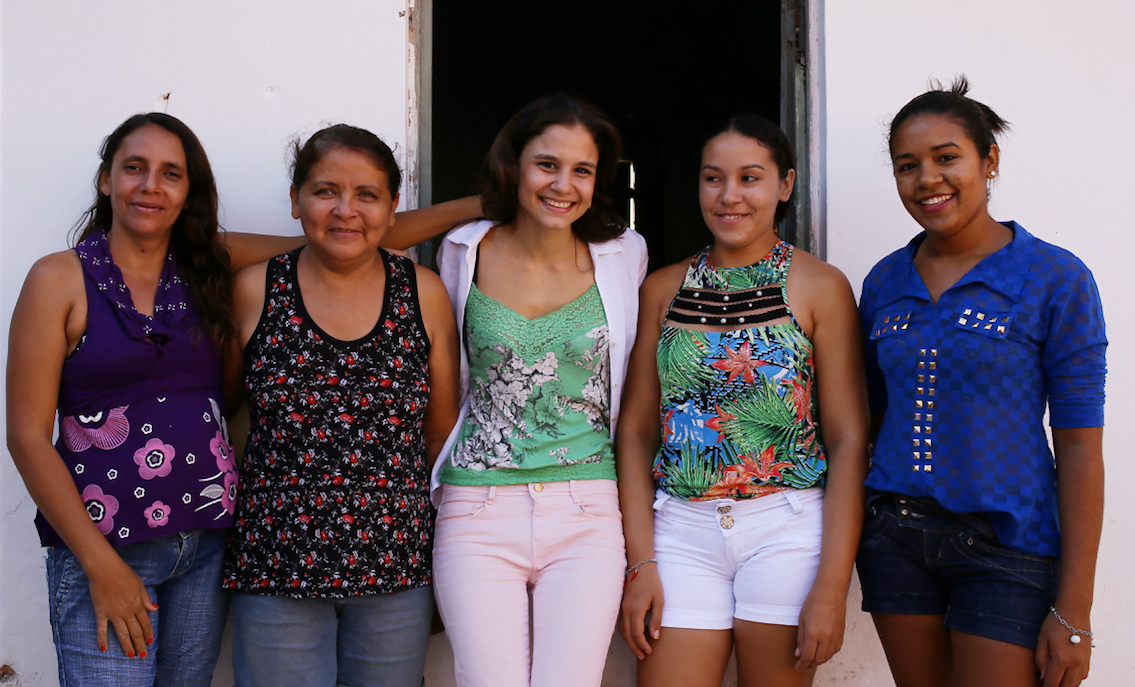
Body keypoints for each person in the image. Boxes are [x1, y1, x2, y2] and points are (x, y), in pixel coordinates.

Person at [5, 111, 474, 687]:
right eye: (134, 168)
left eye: (170, 174)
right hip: (112, 543)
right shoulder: (60, 277)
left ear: (189, 191)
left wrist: (479, 204)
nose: (151, 186)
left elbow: (344, 235)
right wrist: (99, 563)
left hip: (203, 542)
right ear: (106, 180)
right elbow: (27, 434)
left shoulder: (203, 263)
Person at [387, 94, 646, 687]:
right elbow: (381, 233)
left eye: (582, 171)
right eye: (546, 165)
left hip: (587, 508)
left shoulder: (622, 253)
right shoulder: (464, 247)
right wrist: (497, 199)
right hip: (476, 508)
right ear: (514, 163)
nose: (564, 185)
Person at [856, 77, 1106, 687]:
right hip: (894, 543)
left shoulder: (1055, 277)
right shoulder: (885, 281)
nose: (927, 180)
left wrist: (1074, 611)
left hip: (1009, 548)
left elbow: (1078, 447)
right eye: (907, 166)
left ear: (988, 160)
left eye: (947, 158)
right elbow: (871, 417)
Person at [616, 113, 868, 687]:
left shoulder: (819, 286)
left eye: (750, 178)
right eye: (713, 178)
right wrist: (640, 562)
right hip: (678, 531)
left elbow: (849, 437)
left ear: (784, 185)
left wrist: (832, 583)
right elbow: (634, 433)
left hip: (787, 527)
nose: (729, 196)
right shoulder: (663, 288)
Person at [221, 124, 460, 687]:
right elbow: (224, 409)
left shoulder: (422, 293)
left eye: (367, 194)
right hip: (277, 562)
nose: (345, 210)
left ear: (393, 205)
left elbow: (440, 434)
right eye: (326, 191)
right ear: (297, 198)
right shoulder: (257, 289)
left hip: (394, 566)